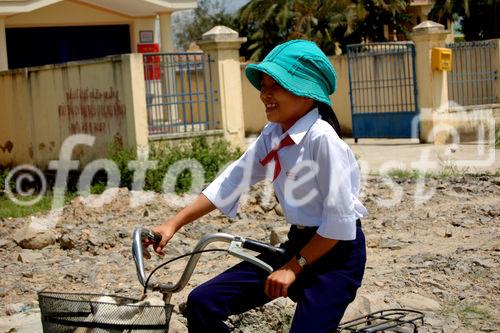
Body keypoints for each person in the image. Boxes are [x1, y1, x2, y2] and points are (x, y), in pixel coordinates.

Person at [144, 39, 367, 333]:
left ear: (308, 92)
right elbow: (232, 180)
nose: (265, 95)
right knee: (202, 303)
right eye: (263, 86)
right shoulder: (274, 134)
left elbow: (340, 224)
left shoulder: (322, 140)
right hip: (298, 245)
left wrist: (293, 267)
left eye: (276, 85)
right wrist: (172, 224)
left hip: (335, 255)